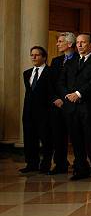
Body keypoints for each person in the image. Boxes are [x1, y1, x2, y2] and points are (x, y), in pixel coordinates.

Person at [58, 33, 91, 181]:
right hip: (71, 107)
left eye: (83, 42)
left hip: (89, 107)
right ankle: (80, 169)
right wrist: (67, 95)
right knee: (76, 140)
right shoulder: (70, 63)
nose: (79, 45)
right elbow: (61, 81)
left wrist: (78, 94)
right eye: (77, 42)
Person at [21, 46, 53, 174]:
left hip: (45, 112)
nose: (33, 57)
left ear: (44, 57)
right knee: (29, 139)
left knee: (46, 139)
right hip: (28, 112)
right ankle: (31, 164)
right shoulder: (27, 73)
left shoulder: (51, 72)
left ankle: (45, 165)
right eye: (32, 55)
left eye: (37, 55)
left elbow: (51, 92)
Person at [48, 32, 77, 174]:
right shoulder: (56, 61)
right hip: (57, 105)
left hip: (73, 104)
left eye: (60, 41)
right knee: (58, 136)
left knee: (77, 136)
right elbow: (51, 83)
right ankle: (60, 164)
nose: (57, 44)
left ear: (69, 44)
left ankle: (80, 165)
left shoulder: (79, 59)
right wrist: (55, 98)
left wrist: (67, 97)